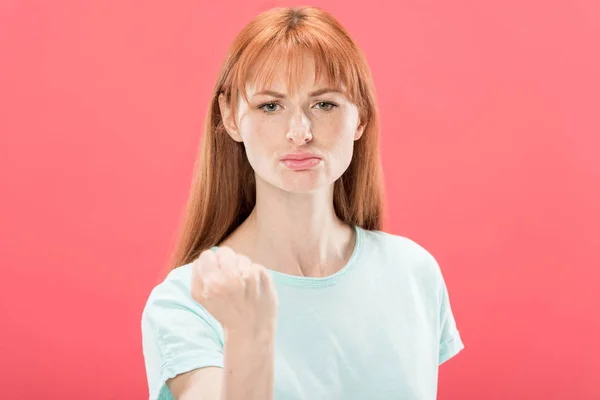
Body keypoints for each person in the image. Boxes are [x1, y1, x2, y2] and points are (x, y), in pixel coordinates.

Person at [141, 6, 464, 400]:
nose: (300, 133)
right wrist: (249, 335)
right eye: (270, 106)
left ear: (359, 116)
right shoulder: (188, 301)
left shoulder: (415, 273)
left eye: (324, 104)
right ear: (230, 116)